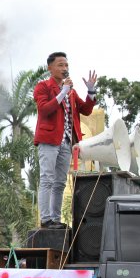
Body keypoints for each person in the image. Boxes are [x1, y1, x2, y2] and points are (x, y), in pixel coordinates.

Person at [34, 52, 98, 229]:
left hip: (66, 142)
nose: (64, 68)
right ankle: (46, 219)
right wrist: (63, 92)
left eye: (66, 65)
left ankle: (55, 219)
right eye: (60, 65)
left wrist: (91, 91)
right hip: (49, 139)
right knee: (47, 178)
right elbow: (45, 109)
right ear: (50, 68)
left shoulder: (71, 91)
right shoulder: (43, 87)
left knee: (60, 182)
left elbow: (85, 110)